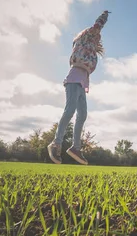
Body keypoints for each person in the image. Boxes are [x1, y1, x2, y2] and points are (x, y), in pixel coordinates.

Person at [47, 10, 110, 165]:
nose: (97, 38)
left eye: (97, 38)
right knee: (70, 111)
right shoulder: (83, 41)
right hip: (74, 79)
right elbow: (95, 27)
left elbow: (96, 39)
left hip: (82, 83)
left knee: (82, 115)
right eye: (95, 36)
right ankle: (56, 143)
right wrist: (103, 18)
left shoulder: (92, 49)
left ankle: (76, 148)